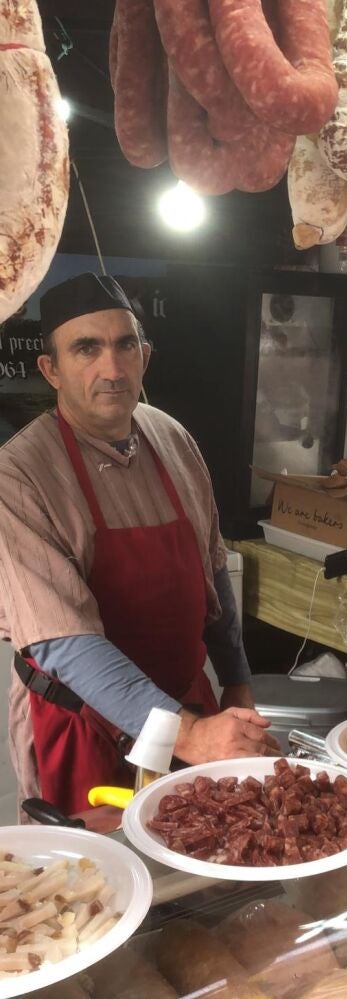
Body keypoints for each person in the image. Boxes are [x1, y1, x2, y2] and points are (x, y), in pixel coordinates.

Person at [0, 272, 278, 817]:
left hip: (189, 702)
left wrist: (238, 686)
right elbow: (65, 643)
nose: (112, 367)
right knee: (99, 887)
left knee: (206, 865)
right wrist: (189, 735)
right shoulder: (19, 477)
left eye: (125, 344)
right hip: (84, 725)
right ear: (50, 370)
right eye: (87, 349)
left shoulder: (171, 437)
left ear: (145, 355)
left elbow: (212, 573)